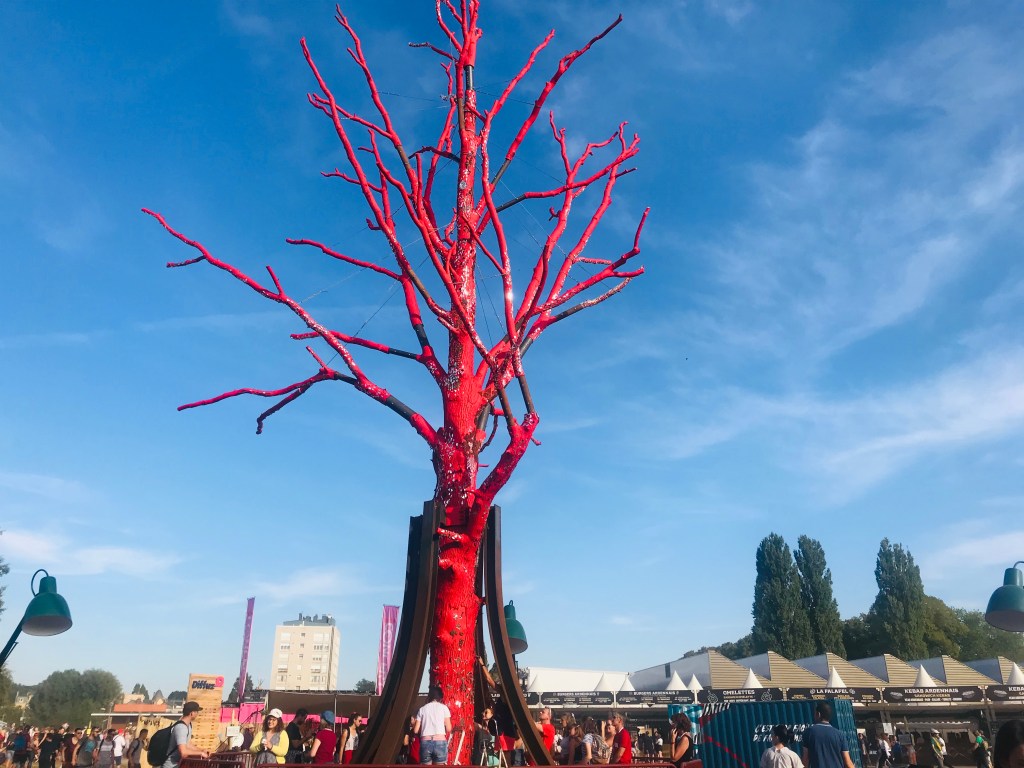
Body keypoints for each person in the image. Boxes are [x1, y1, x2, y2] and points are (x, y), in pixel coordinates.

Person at [801, 702, 855, 768]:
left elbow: (806, 759)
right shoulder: (840, 734)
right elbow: (847, 762)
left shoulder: (809, 732)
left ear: (818, 714)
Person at [414, 686, 453, 765]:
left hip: (425, 742)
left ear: (430, 697)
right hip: (440, 742)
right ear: (440, 698)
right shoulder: (444, 708)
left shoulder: (422, 709)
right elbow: (449, 728)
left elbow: (415, 730)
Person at [164, 701, 211, 768]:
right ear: (191, 713)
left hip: (177, 764)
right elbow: (183, 752)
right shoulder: (181, 728)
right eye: (196, 712)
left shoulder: (188, 726)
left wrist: (201, 750)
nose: (197, 714)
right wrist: (200, 753)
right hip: (171, 766)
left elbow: (188, 744)